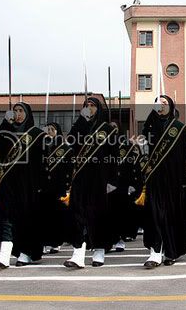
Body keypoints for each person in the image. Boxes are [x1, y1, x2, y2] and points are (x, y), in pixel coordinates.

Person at [138, 95, 186, 268]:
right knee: (155, 214)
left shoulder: (178, 128)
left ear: (171, 106)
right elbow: (143, 154)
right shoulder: (148, 127)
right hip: (154, 179)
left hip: (174, 180)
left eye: (164, 103)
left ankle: (170, 251)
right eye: (158, 103)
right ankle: (155, 253)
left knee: (171, 216)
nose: (161, 106)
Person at [63, 97, 119, 268]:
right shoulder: (80, 126)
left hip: (100, 178)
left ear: (99, 108)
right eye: (86, 105)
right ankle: (78, 252)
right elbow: (71, 143)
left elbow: (114, 157)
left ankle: (99, 249)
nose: (89, 108)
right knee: (77, 213)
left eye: (93, 105)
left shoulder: (108, 130)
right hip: (81, 176)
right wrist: (82, 119)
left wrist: (112, 180)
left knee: (98, 214)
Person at [0, 102, 46, 269]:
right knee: (6, 216)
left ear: (28, 113)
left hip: (28, 183)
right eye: (15, 111)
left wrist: (41, 184)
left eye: (21, 110)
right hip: (9, 181)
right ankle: (4, 254)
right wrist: (5, 123)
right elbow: (0, 144)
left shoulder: (36, 134)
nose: (17, 114)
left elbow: (41, 161)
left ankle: (25, 252)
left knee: (25, 218)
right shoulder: (7, 132)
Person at [39, 122, 73, 254]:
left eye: (52, 129)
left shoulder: (65, 149)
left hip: (58, 186)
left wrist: (67, 185)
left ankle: (55, 242)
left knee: (57, 216)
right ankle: (44, 242)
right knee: (44, 216)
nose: (50, 132)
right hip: (44, 187)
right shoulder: (42, 146)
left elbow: (69, 169)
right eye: (47, 130)